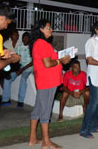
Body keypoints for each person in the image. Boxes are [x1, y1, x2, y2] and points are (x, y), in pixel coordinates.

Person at [28, 19, 71, 148]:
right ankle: (46, 142)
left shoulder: (40, 43)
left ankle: (32, 138)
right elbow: (47, 63)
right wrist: (61, 61)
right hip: (47, 81)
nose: (51, 30)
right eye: (48, 28)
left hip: (44, 80)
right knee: (46, 111)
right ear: (41, 29)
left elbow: (49, 59)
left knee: (38, 109)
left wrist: (60, 57)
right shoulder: (41, 43)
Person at [0, 32, 33, 108]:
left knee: (23, 79)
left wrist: (22, 69)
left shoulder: (32, 48)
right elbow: (16, 59)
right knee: (7, 78)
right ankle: (6, 100)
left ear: (29, 39)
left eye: (27, 38)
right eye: (23, 38)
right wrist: (14, 70)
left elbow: (33, 62)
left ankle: (20, 101)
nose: (25, 39)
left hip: (28, 68)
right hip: (19, 67)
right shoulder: (19, 47)